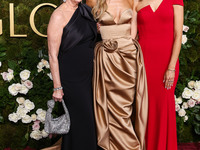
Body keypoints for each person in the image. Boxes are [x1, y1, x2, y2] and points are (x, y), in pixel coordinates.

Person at [87, 0, 148, 149]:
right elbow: (84, 26)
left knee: (126, 107)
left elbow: (133, 32)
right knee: (111, 106)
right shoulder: (93, 1)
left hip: (129, 57)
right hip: (107, 58)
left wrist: (126, 50)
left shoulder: (132, 0)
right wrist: (95, 30)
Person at [47, 0, 97, 149]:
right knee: (84, 119)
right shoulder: (58, 15)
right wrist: (57, 87)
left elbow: (91, 34)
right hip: (71, 77)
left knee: (80, 121)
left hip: (89, 75)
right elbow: (52, 55)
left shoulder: (86, 10)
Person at [136, 0, 184, 149]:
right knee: (146, 108)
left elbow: (178, 35)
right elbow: (131, 33)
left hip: (166, 63)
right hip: (144, 63)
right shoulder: (137, 2)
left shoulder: (175, 1)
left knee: (164, 107)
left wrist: (171, 67)